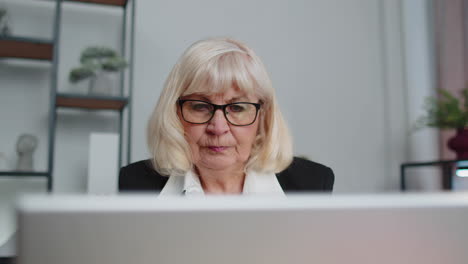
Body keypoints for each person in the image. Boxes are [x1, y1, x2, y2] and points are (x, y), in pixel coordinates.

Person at [119, 37, 334, 195]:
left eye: (238, 108)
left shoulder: (313, 184)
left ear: (263, 117)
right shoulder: (134, 184)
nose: (218, 127)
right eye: (200, 106)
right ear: (175, 113)